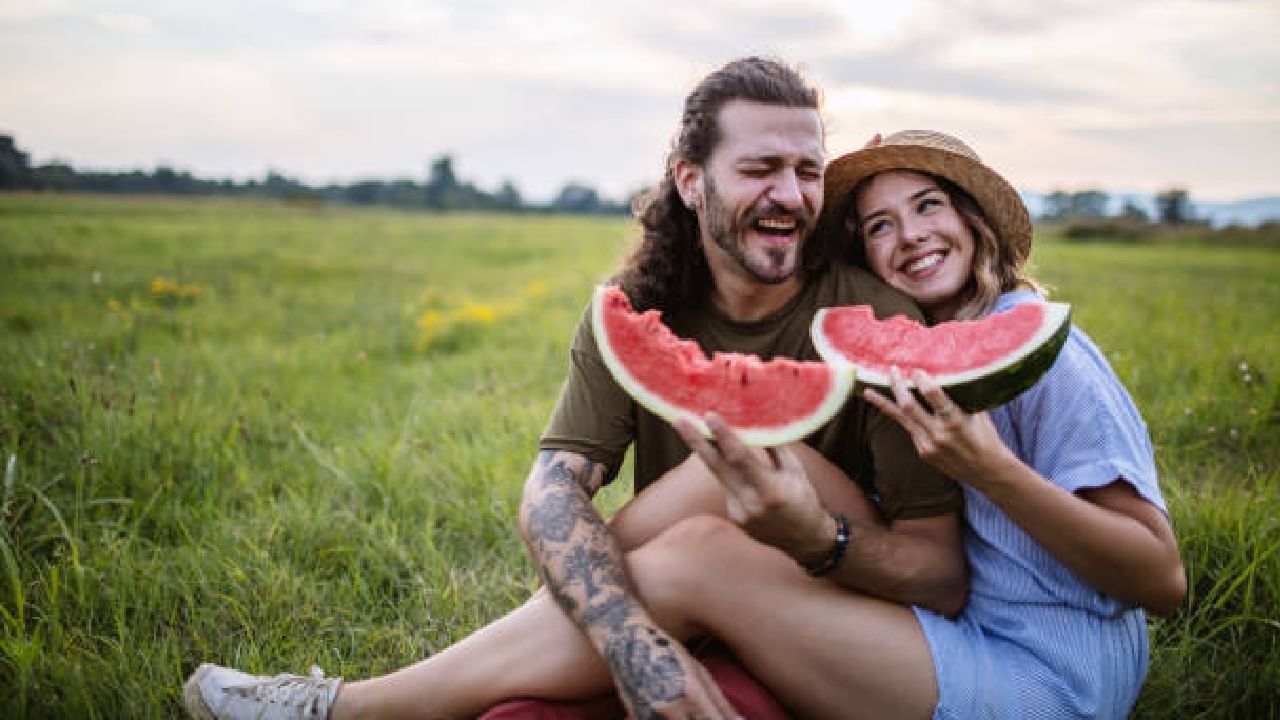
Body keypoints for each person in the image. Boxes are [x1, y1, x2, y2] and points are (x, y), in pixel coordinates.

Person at [183, 58, 967, 720]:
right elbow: (553, 493)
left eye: (807, 171)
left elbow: (942, 577)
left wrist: (811, 537)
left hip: (851, 626)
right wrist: (634, 644)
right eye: (760, 169)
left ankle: (347, 707)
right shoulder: (632, 314)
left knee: (727, 464)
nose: (791, 195)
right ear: (691, 181)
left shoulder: (880, 322)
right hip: (685, 604)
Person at [672, 129, 1186, 718]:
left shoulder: (1051, 357)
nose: (911, 235)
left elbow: (1162, 581)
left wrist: (992, 472)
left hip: (1048, 678)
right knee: (738, 460)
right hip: (955, 624)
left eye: (927, 205)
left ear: (973, 221)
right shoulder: (910, 358)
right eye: (879, 225)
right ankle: (585, 590)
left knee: (699, 560)